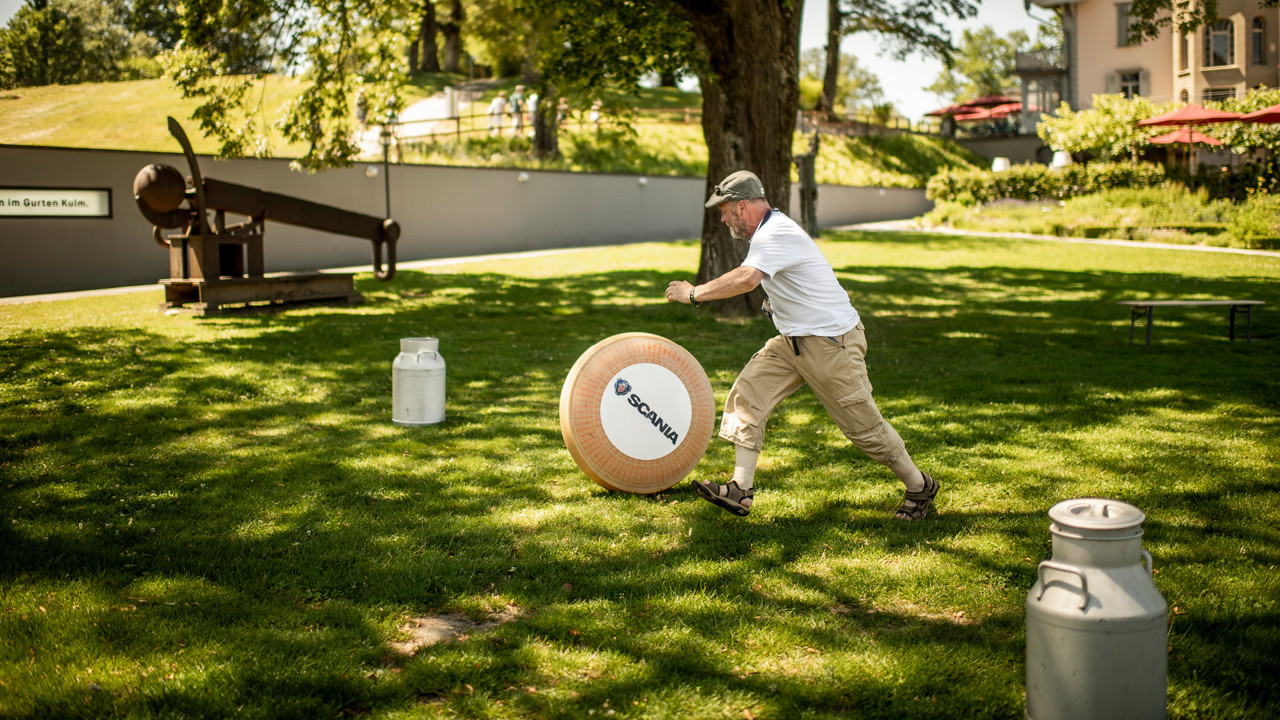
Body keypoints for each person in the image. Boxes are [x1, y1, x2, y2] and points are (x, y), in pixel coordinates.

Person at [664, 170, 937, 521]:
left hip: (830, 344)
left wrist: (693, 293)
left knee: (864, 428)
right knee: (748, 394)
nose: (723, 219)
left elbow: (746, 279)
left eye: (725, 211)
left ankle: (919, 486)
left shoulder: (775, 232)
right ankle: (740, 489)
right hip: (792, 342)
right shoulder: (768, 233)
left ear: (742, 207)